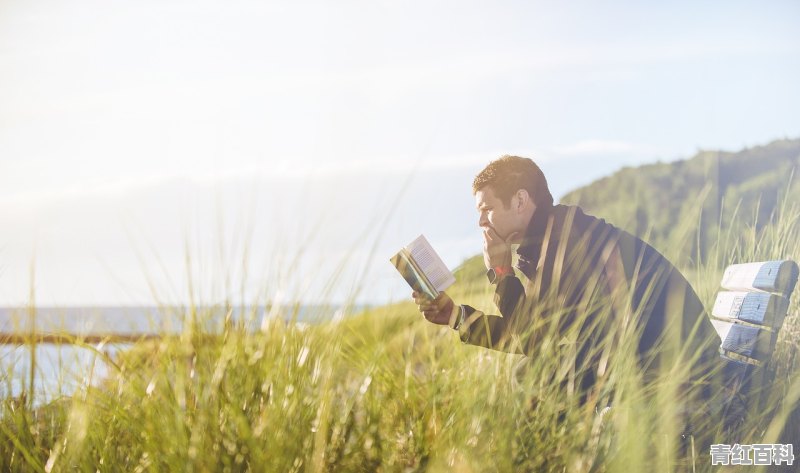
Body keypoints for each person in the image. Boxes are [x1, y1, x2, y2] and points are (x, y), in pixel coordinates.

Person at [412, 155, 722, 433]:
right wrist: (455, 316)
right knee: (538, 371)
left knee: (536, 374)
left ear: (520, 200)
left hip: (684, 371)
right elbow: (532, 333)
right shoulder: (548, 240)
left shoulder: (566, 241)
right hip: (652, 358)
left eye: (487, 209)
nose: (480, 222)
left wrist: (502, 273)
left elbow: (533, 340)